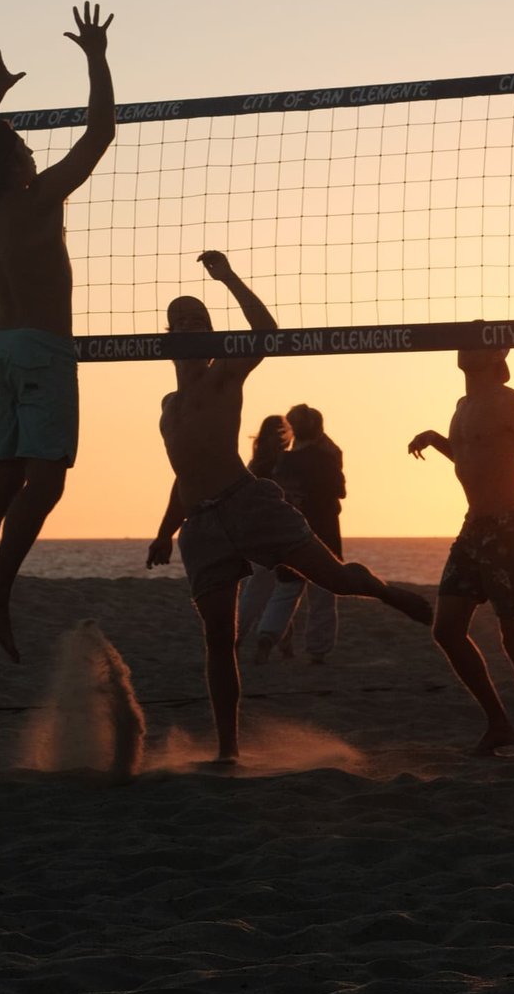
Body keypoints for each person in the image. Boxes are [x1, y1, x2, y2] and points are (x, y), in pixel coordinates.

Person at [147, 252, 432, 765]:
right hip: (203, 523)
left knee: (336, 579)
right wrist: (165, 531)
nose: (189, 326)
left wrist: (228, 277)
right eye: (180, 320)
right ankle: (228, 749)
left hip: (247, 503)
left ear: (212, 334)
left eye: (199, 320)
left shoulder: (225, 374)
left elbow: (266, 331)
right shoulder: (168, 407)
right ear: (167, 336)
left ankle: (384, 592)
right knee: (218, 639)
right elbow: (182, 475)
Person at [0, 2, 115, 666]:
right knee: (44, 485)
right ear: (15, 162)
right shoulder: (36, 198)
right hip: (42, 351)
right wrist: (96, 57)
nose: (31, 150)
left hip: (1, 351)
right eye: (23, 146)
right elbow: (99, 134)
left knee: (0, 483)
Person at [408, 348, 514, 756]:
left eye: (476, 341)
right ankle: (499, 724)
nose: (464, 348)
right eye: (462, 340)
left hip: (512, 527)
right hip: (473, 527)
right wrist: (436, 439)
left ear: (497, 352)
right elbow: (470, 457)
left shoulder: (512, 402)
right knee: (446, 629)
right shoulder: (463, 404)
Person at [252, 404, 347, 665]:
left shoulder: (284, 461)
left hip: (292, 532)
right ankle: (317, 651)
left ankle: (267, 636)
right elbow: (339, 490)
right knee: (323, 594)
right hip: (325, 532)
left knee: (286, 589)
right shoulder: (327, 458)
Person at [234, 414, 294, 650]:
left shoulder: (255, 463)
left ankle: (282, 641)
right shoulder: (284, 463)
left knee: (266, 587)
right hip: (280, 531)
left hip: (256, 532)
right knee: (278, 589)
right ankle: (241, 636)